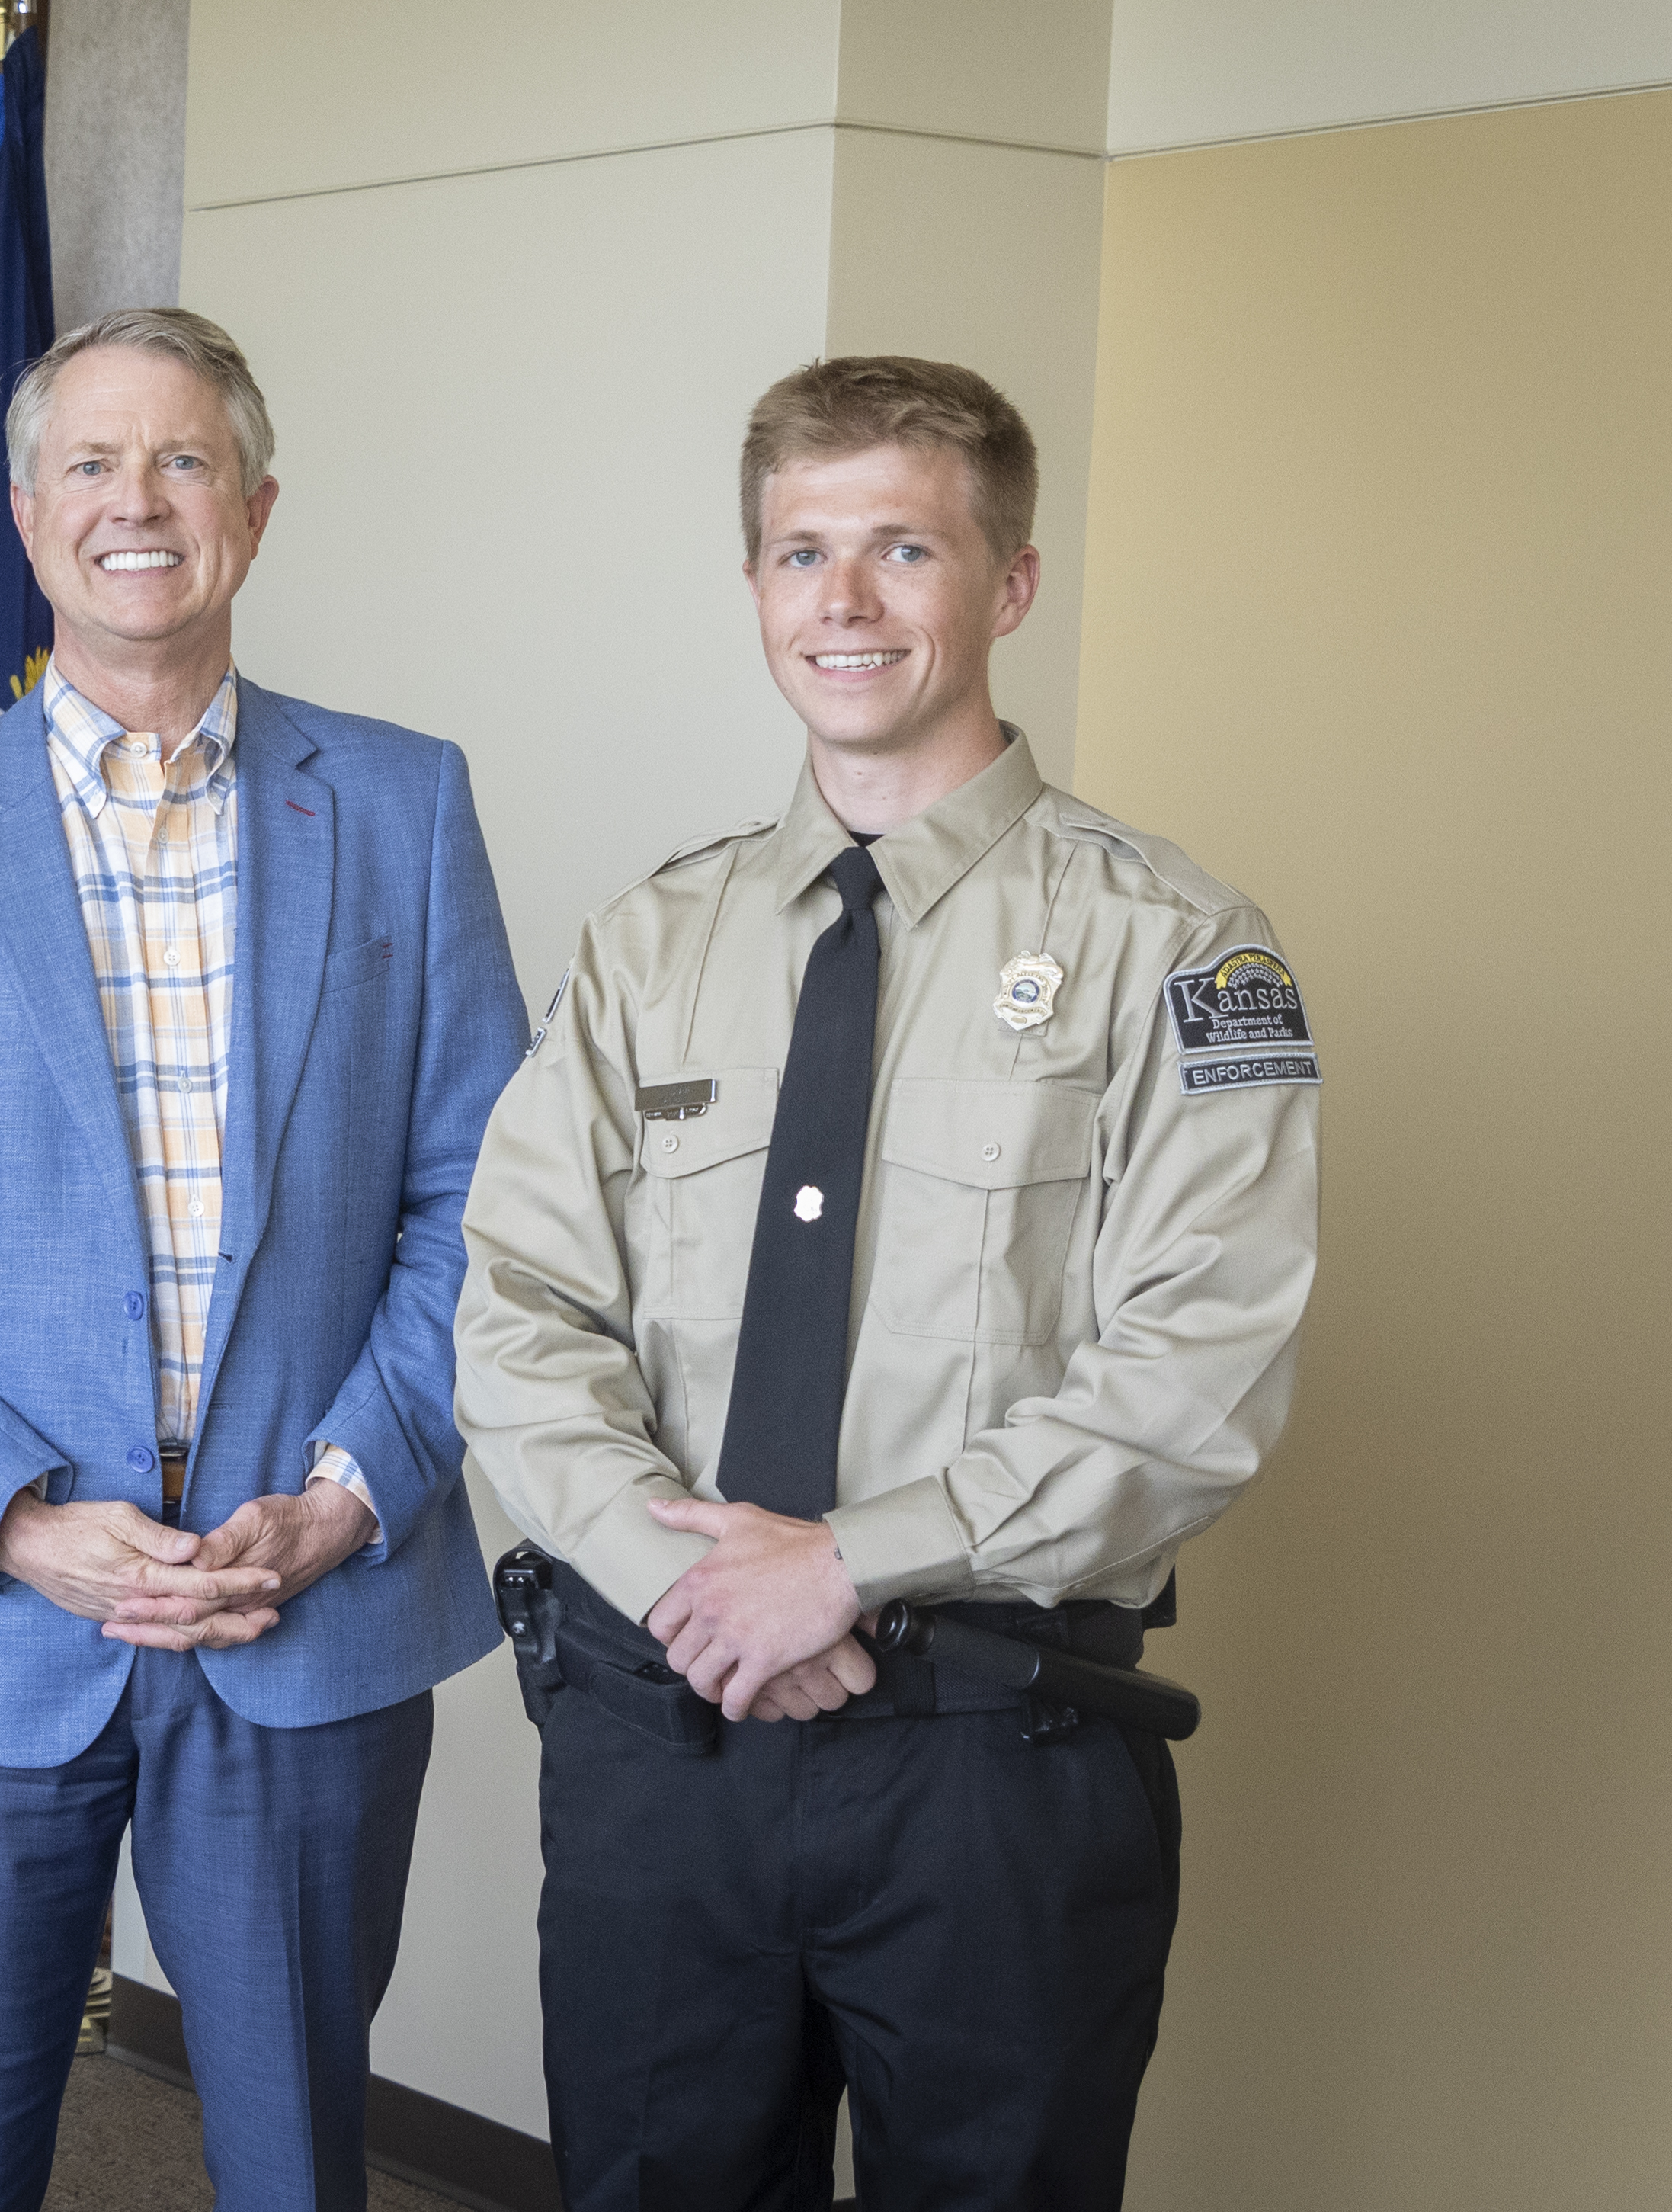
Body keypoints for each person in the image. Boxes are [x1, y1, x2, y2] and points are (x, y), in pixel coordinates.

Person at [454, 356, 1321, 2209]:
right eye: (799, 551)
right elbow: (518, 1307)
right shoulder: (650, 942)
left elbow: (1202, 1372)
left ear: (1007, 584)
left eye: (902, 548)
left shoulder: (1171, 944)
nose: (841, 605)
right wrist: (704, 1588)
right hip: (663, 1736)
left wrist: (840, 1563)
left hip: (988, 1762)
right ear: (758, 584)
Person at [0, 308, 526, 2211]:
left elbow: (487, 1204)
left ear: (254, 510)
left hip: (309, 1601)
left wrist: (349, 1494)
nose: (137, 502)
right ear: (25, 517)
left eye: (182, 461)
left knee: (293, 2167)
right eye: (90, 463)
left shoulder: (406, 805)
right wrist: (17, 1517)